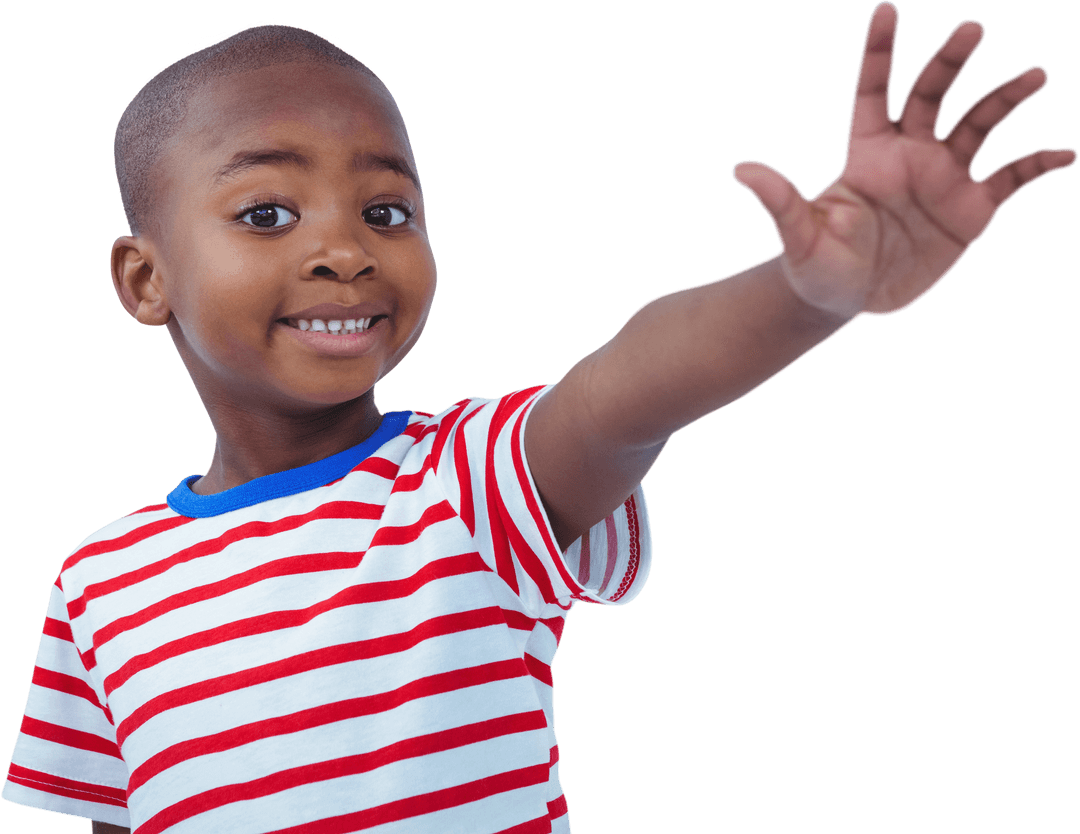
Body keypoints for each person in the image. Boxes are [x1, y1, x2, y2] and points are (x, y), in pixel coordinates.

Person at [2, 2, 1074, 832]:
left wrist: (807, 295)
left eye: (387, 210)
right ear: (145, 281)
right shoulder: (102, 580)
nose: (345, 249)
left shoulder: (463, 487)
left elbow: (625, 391)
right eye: (268, 213)